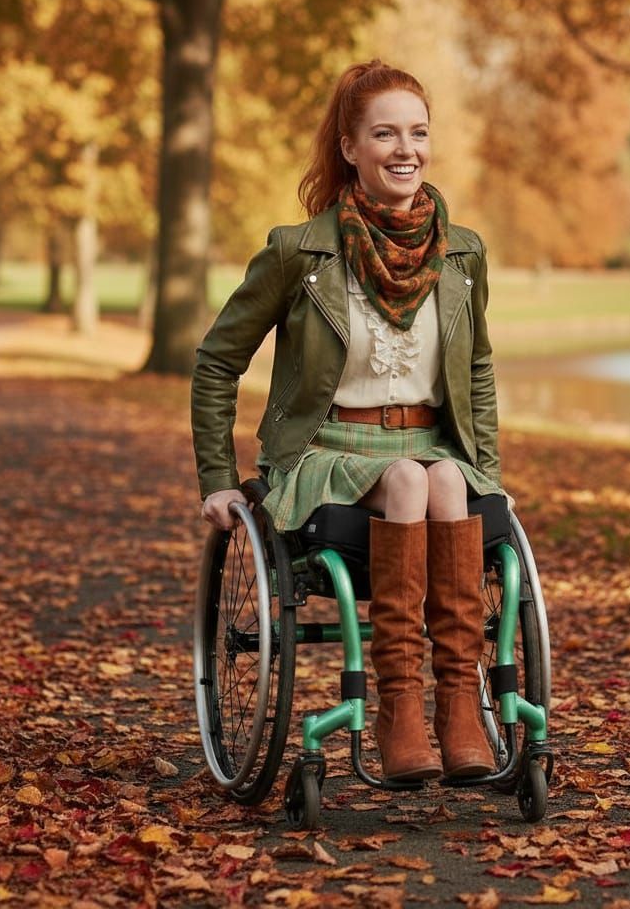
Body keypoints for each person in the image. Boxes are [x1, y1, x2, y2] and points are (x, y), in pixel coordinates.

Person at [192, 59, 504, 782]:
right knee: (407, 478)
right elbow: (215, 362)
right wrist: (215, 477)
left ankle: (459, 706)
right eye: (386, 133)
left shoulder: (462, 255)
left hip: (432, 446)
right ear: (350, 147)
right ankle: (398, 707)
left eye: (419, 133)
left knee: (446, 484)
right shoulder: (298, 252)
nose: (406, 149)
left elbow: (478, 368)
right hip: (326, 451)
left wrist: (483, 459)